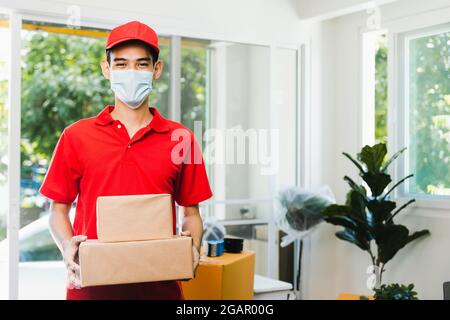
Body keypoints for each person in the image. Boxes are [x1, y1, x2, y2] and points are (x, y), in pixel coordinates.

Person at [38, 20, 212, 300]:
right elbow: (58, 210)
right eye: (121, 64)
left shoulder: (182, 138)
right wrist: (67, 245)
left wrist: (192, 246)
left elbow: (191, 214)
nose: (131, 72)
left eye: (142, 64)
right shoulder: (76, 136)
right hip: (91, 288)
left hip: (159, 289)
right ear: (106, 69)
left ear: (157, 70)